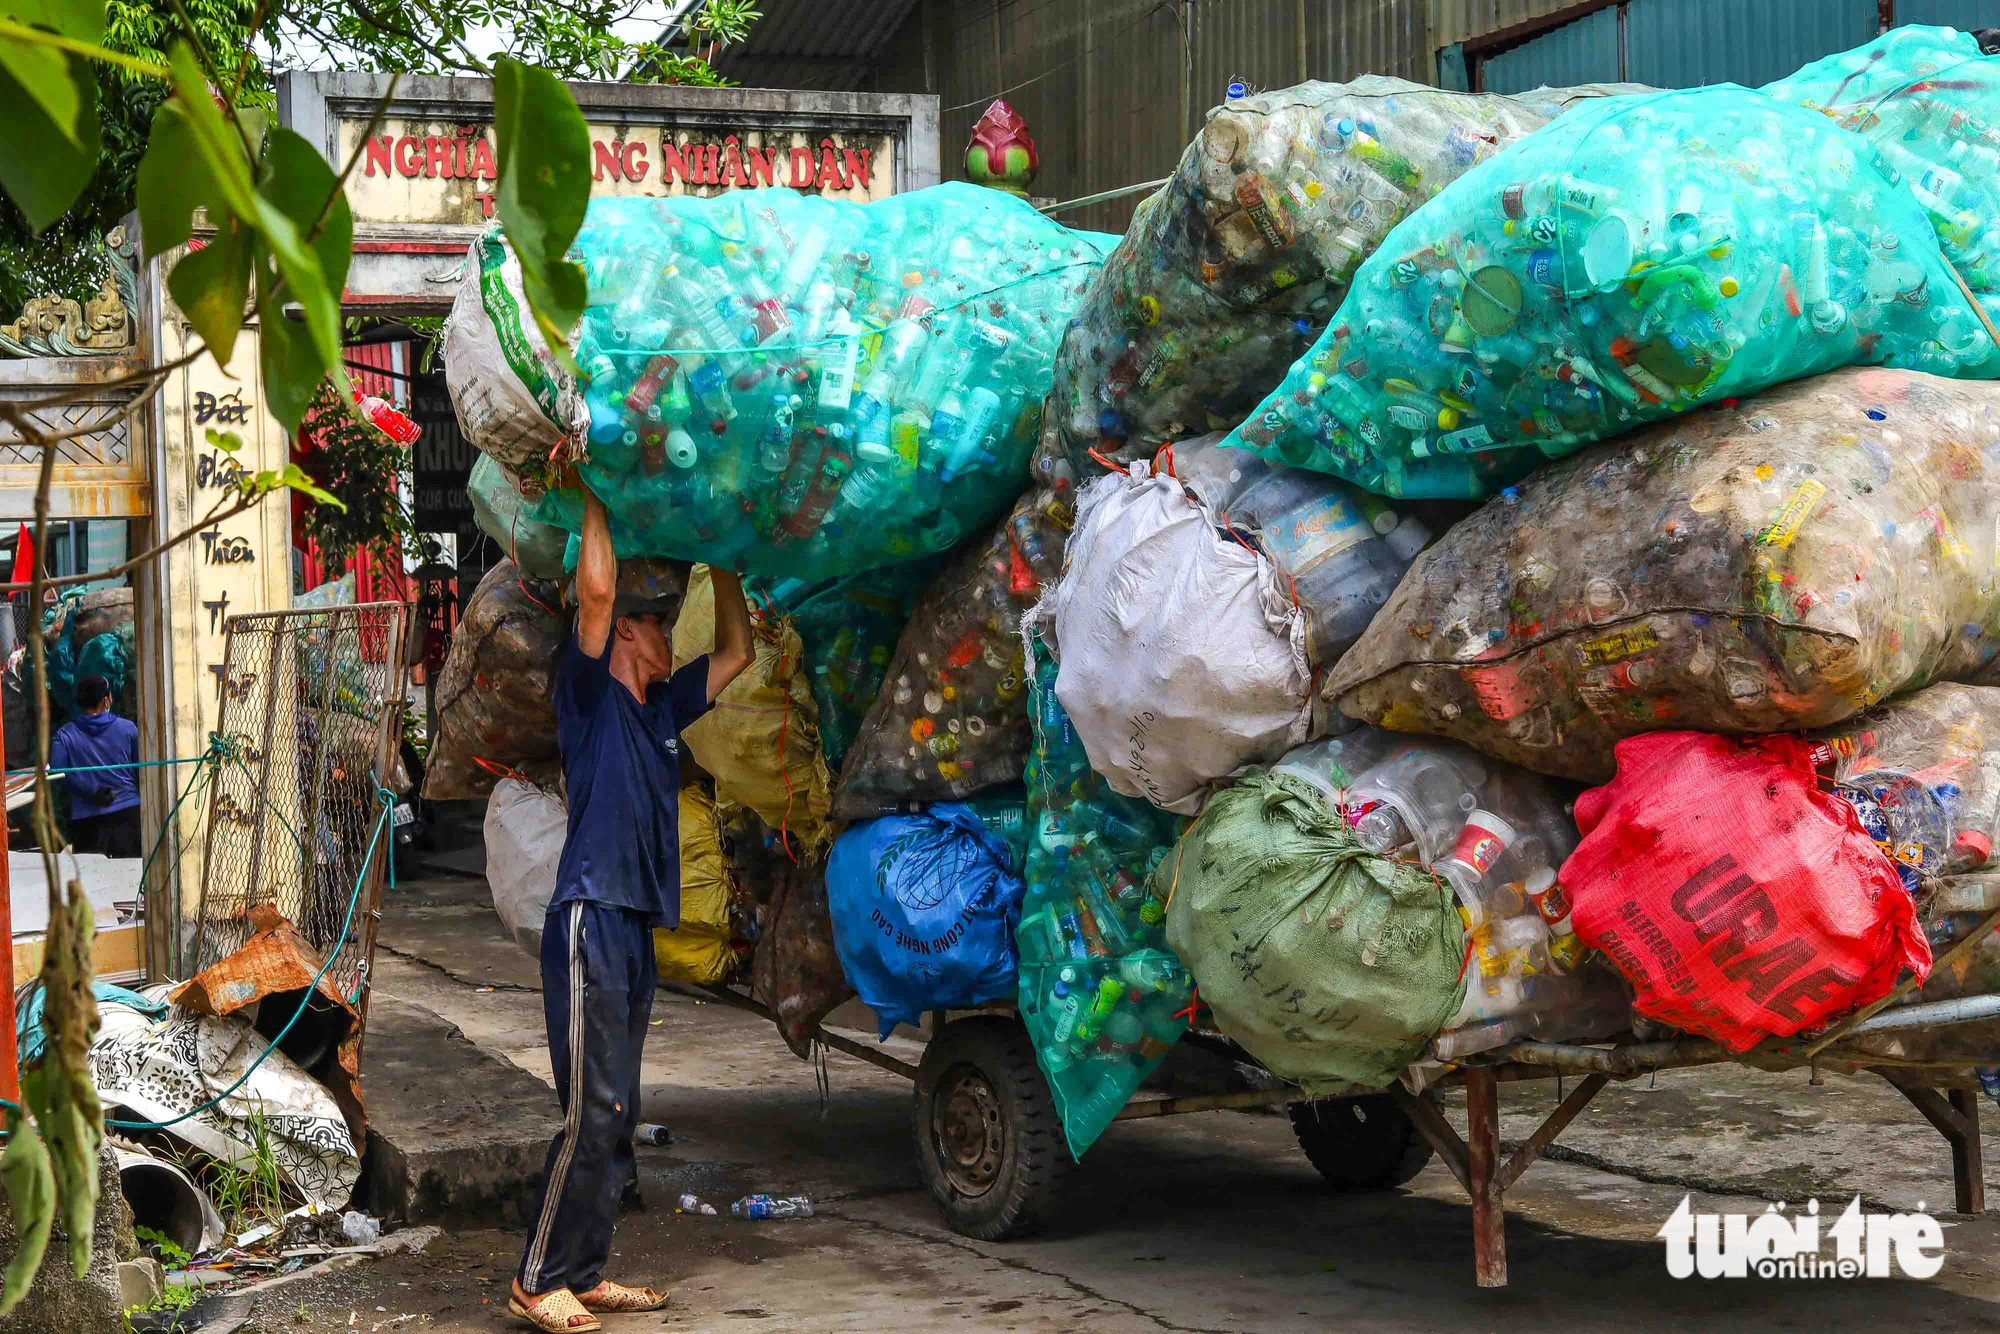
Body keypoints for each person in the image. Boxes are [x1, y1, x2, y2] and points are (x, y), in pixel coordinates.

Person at [511, 483, 754, 1333]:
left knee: (622, 1113)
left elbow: (736, 656)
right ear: (624, 637)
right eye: (655, 623)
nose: (664, 632)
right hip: (587, 918)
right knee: (590, 1110)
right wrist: (597, 492)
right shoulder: (588, 696)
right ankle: (538, 1278)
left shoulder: (660, 709)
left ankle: (585, 1269)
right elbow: (600, 590)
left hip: (633, 928)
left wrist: (724, 563)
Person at [51, 675, 141, 858]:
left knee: (91, 882)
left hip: (86, 821)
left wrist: (92, 792)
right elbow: (142, 772)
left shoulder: (64, 735)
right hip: (128, 815)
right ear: (107, 699)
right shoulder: (128, 729)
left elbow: (57, 775)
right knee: (129, 878)